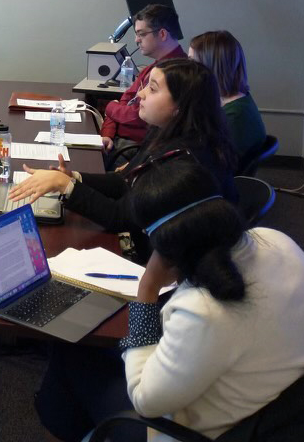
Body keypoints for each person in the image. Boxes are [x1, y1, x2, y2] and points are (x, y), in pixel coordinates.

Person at [36, 156, 304, 442]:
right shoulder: (276, 240)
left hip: (190, 430)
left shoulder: (203, 311)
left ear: (163, 246)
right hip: (271, 404)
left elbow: (144, 399)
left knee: (71, 351)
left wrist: (147, 291)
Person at [8, 59, 238, 262]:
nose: (141, 94)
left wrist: (64, 186)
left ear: (181, 107)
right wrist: (73, 178)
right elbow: (126, 181)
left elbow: (122, 217)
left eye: (153, 89)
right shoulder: (165, 133)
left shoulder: (186, 164)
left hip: (158, 264)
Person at [99, 3, 186, 155]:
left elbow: (139, 116)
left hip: (136, 148)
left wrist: (109, 107)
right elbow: (124, 101)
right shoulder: (151, 67)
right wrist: (108, 133)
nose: (136, 40)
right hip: (117, 141)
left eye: (141, 34)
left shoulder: (178, 72)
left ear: (163, 34)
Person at [188, 30, 267, 167]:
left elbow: (216, 165)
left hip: (215, 180)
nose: (189, 69)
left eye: (193, 62)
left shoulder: (236, 115)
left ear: (212, 66)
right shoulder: (231, 99)